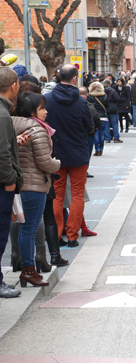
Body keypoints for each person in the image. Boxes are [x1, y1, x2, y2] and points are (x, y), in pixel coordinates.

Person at [11, 91, 61, 287]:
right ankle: (29, 271)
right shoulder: (37, 129)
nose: (46, 112)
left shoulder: (11, 123)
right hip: (33, 186)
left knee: (21, 228)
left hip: (17, 184)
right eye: (42, 108)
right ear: (32, 111)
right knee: (29, 229)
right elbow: (44, 162)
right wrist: (57, 163)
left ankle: (25, 268)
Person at [45, 65, 94, 248]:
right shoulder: (81, 102)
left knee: (57, 195)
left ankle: (57, 234)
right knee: (77, 194)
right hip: (78, 153)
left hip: (56, 154)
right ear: (74, 78)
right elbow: (89, 126)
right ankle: (73, 235)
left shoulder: (48, 99)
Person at [0, 67, 23, 298]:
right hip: (2, 184)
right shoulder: (2, 113)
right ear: (14, 86)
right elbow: (2, 152)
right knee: (1, 232)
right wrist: (8, 180)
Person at [88, 82, 111, 156]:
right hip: (103, 117)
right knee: (102, 133)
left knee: (95, 134)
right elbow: (107, 106)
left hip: (94, 117)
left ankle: (97, 149)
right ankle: (101, 149)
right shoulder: (104, 96)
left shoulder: (90, 96)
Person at [102, 79, 122, 144]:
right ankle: (116, 138)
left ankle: (107, 138)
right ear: (110, 84)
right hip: (113, 109)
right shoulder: (113, 91)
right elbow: (118, 99)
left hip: (105, 109)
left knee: (106, 125)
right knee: (115, 124)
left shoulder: (102, 91)